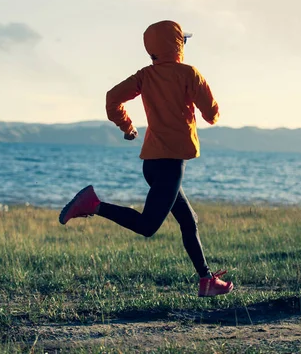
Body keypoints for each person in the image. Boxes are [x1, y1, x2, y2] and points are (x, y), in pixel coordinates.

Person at [59, 20, 233, 297]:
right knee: (147, 226)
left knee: (189, 220)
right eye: (183, 41)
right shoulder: (190, 74)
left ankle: (207, 280)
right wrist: (209, 114)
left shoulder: (145, 76)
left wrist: (127, 127)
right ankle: (93, 204)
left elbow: (112, 98)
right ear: (178, 45)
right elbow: (211, 112)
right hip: (170, 163)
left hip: (152, 163)